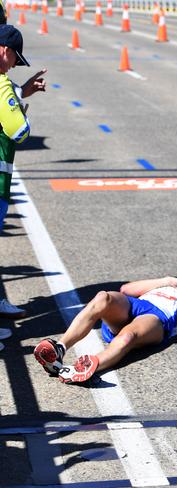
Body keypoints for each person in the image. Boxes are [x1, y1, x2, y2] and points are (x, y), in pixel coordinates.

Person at [34, 254, 177, 384]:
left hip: (158, 320)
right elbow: (127, 289)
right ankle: (60, 349)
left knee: (128, 335)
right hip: (137, 305)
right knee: (103, 297)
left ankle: (82, 369)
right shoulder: (171, 282)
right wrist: (168, 280)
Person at [0, 24, 47, 322]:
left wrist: (20, 91)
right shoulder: (2, 84)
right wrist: (19, 102)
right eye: (16, 58)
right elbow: (19, 130)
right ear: (4, 51)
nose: (16, 64)